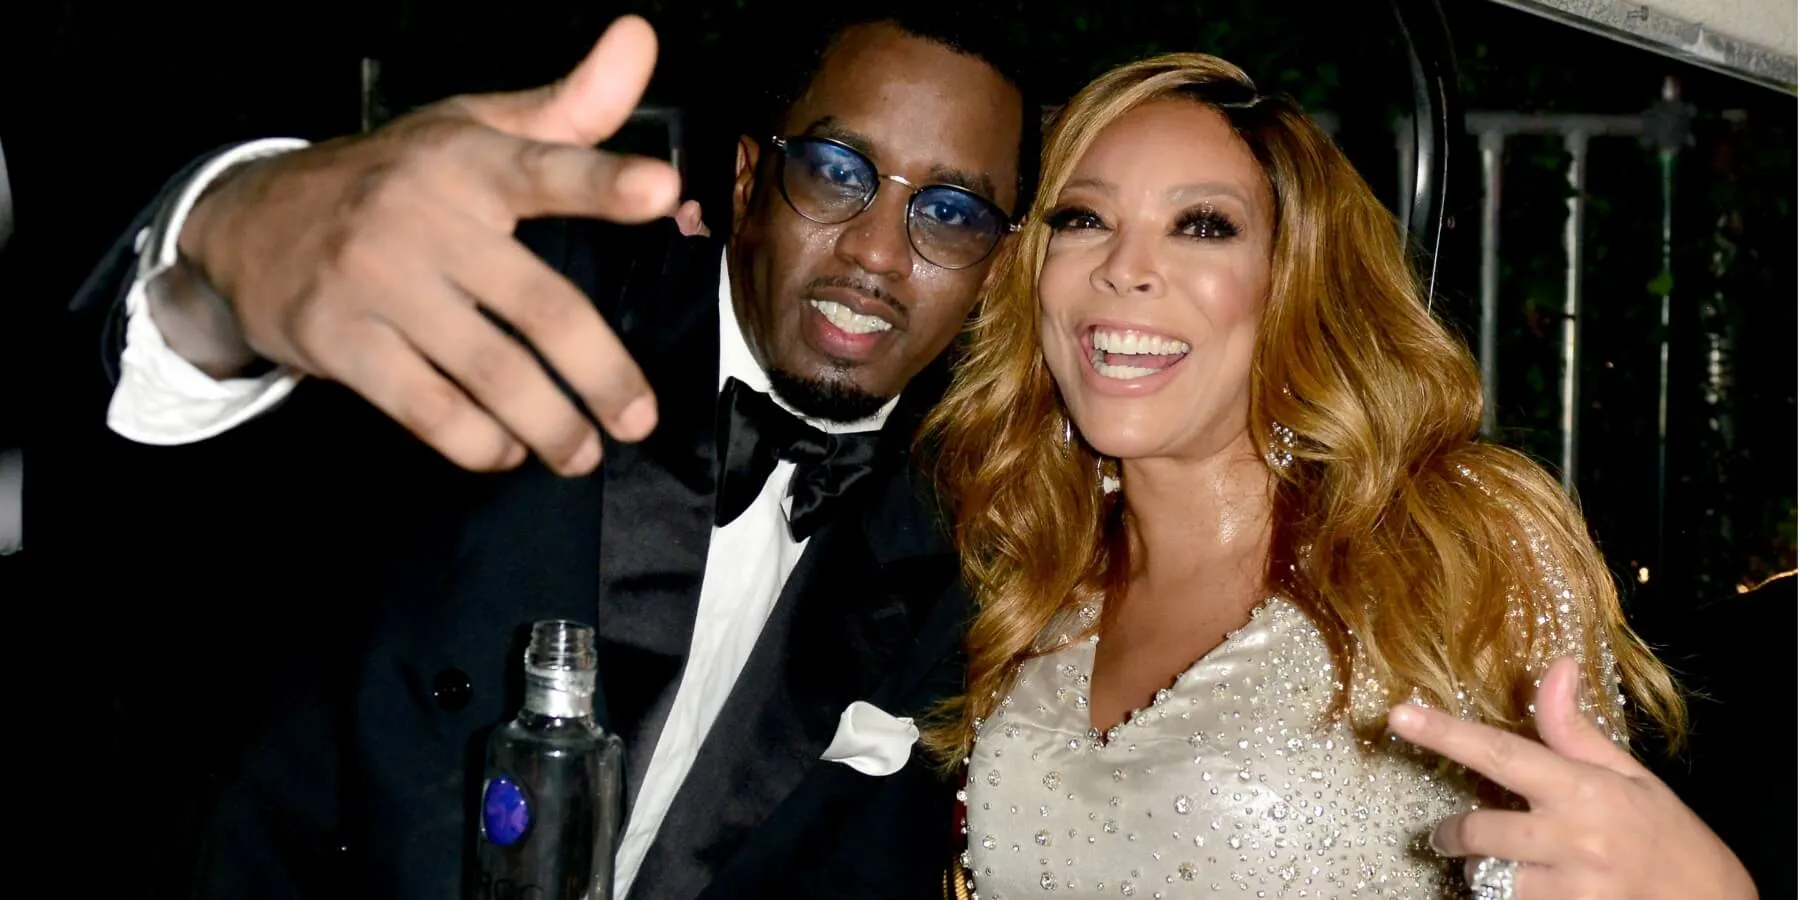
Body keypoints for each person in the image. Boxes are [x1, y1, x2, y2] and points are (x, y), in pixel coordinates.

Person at [73, 7, 1031, 899]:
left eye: (952, 212)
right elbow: (136, 463)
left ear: (996, 266)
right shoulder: (539, 298)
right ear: (748, 185)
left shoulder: (968, 543)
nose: (876, 251)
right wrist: (222, 248)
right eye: (836, 170)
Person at [921, 53, 1753, 899]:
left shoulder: (1451, 544)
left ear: (1294, 280)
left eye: (1202, 225)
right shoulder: (1028, 571)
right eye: (1083, 218)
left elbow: (1606, 861)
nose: (1123, 267)